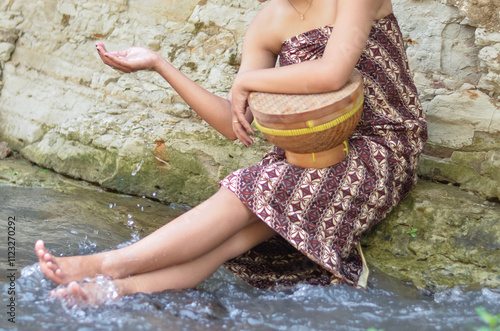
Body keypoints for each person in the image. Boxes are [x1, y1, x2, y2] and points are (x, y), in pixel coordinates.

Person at [35, 0, 426, 304]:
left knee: (256, 187)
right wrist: (159, 65)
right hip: (306, 147)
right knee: (233, 236)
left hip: (381, 142)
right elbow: (233, 121)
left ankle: (110, 264)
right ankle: (116, 290)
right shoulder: (268, 22)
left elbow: (333, 72)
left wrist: (248, 81)